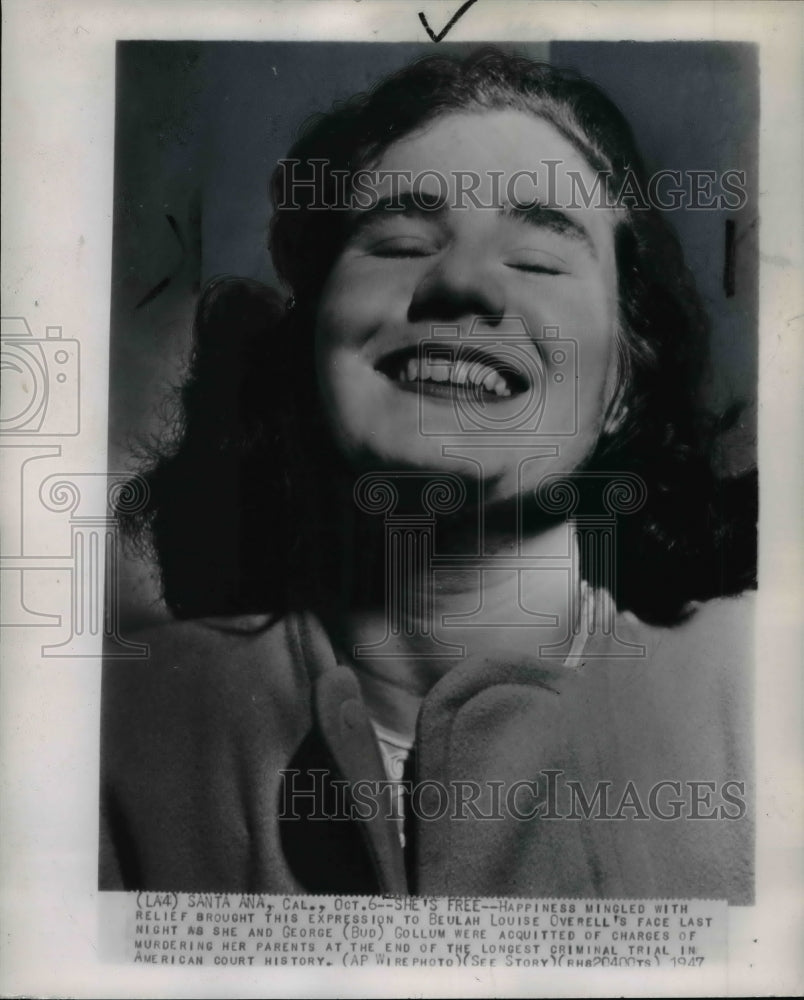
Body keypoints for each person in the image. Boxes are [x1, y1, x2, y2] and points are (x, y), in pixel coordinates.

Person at [100, 48, 756, 899]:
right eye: (400, 242)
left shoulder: (758, 698)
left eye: (537, 260)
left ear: (626, 383)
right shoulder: (114, 724)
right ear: (312, 348)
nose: (456, 281)